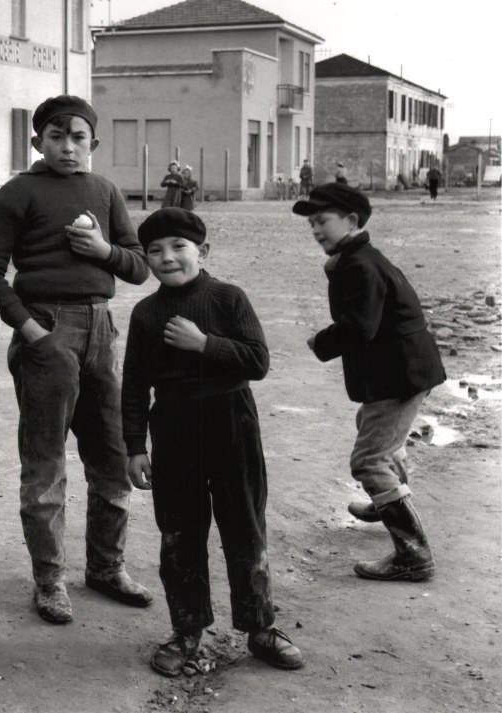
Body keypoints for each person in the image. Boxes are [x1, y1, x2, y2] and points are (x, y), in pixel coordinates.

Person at [0, 94, 153, 625]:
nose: (68, 146)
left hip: (101, 329)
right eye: (56, 136)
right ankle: (50, 579)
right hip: (45, 333)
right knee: (46, 463)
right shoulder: (18, 193)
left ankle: (106, 567)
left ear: (93, 144)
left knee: (110, 455)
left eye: (78, 137)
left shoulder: (104, 191)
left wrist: (103, 251)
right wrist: (32, 331)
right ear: (37, 142)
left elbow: (140, 268)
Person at [121, 207, 304, 677]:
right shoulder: (146, 313)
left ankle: (259, 626)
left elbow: (258, 361)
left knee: (244, 526)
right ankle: (186, 629)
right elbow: (135, 384)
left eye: (179, 247)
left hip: (232, 424)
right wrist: (134, 445)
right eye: (155, 251)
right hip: (175, 428)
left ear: (203, 252)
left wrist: (206, 344)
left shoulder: (228, 299)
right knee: (179, 534)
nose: (167, 258)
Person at [293, 183, 444, 581]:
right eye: (311, 224)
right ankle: (386, 500)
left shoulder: (360, 265)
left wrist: (321, 340)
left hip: (401, 374)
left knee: (368, 459)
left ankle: (413, 555)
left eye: (322, 221)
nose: (315, 230)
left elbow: (359, 327)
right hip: (403, 370)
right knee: (378, 436)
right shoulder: (358, 257)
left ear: (352, 221)